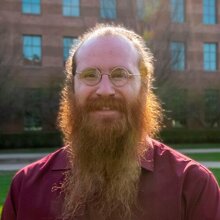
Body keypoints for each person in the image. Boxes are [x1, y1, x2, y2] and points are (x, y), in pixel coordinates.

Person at [1, 24, 220, 220]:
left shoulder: (193, 187)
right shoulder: (25, 189)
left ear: (144, 89)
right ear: (71, 89)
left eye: (119, 74)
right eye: (89, 75)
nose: (105, 90)